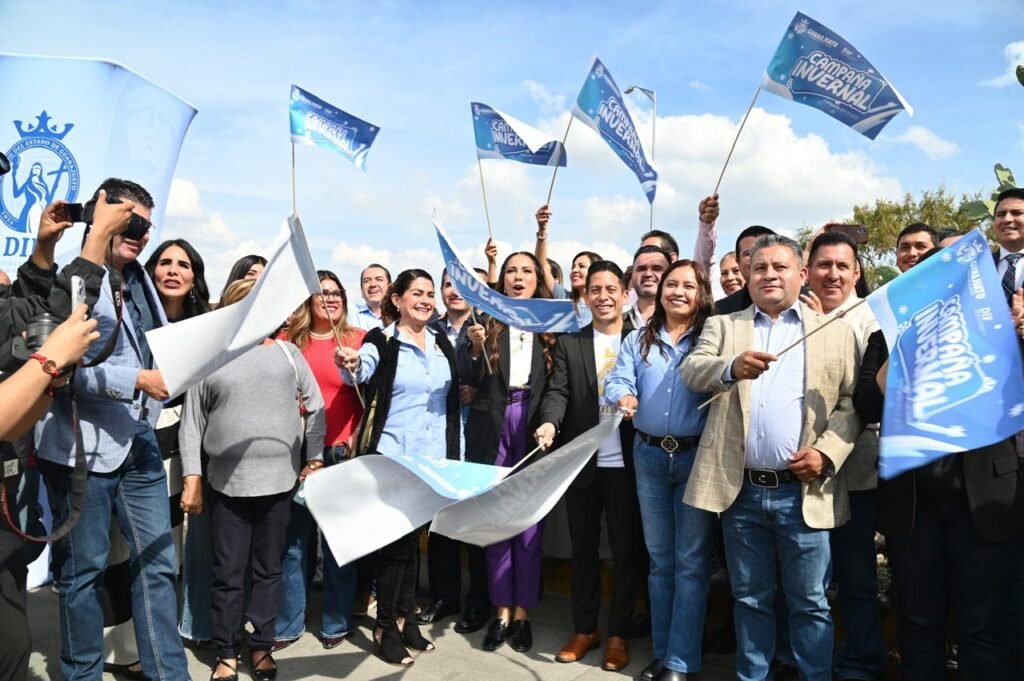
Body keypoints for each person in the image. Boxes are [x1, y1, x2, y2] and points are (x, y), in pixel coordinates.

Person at [682, 234, 861, 681]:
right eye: (760, 268)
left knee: (810, 604)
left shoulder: (833, 332)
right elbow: (692, 369)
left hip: (803, 492)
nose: (769, 275)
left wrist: (826, 452)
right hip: (740, 491)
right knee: (750, 600)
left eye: (780, 267)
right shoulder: (725, 325)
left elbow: (852, 404)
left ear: (802, 276)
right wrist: (730, 367)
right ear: (747, 276)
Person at [35, 179, 193, 681]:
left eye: (146, 225)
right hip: (83, 448)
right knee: (83, 576)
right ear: (104, 216)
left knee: (158, 565)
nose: (140, 234)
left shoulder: (142, 281)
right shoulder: (74, 280)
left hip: (139, 444)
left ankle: (167, 674)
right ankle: (81, 674)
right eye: (130, 221)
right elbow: (57, 370)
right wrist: (137, 380)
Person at [853, 247, 1022, 681]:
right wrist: (902, 350)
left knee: (983, 625)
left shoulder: (999, 329)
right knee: (919, 621)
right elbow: (867, 405)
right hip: (914, 508)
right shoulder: (886, 337)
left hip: (984, 502)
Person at [179, 278, 326, 681]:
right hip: (226, 486)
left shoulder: (289, 354)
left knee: (268, 569)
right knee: (227, 573)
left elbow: (316, 410)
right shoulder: (211, 357)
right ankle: (227, 652)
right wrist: (193, 476)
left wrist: (313, 458)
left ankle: (260, 647)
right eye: (244, 303)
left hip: (280, 485)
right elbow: (192, 423)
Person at [337, 269, 461, 667]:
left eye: (430, 294)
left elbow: (451, 404)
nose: (426, 300)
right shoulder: (382, 341)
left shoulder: (442, 343)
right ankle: (385, 626)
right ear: (397, 300)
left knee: (413, 547)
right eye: (416, 293)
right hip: (393, 459)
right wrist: (352, 362)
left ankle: (406, 618)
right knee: (394, 547)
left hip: (433, 461)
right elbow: (360, 368)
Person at [603, 259, 717, 681]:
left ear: (701, 293)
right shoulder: (638, 339)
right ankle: (664, 652)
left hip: (695, 458)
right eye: (672, 284)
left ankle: (682, 662)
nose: (679, 291)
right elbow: (618, 379)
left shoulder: (711, 337)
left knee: (690, 562)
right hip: (648, 456)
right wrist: (623, 395)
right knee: (661, 561)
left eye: (689, 285)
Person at [534, 261, 643, 672]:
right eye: (594, 289)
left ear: (624, 293)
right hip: (583, 460)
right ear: (584, 297)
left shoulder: (640, 341)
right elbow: (558, 391)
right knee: (583, 550)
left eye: (611, 288)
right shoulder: (570, 343)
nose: (603, 296)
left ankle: (618, 634)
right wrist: (549, 421)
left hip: (628, 462)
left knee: (626, 551)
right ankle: (584, 629)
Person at [459, 251, 555, 654]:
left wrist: (549, 421)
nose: (518, 277)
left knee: (529, 526)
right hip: (493, 425)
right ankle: (500, 611)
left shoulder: (551, 325)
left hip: (535, 426)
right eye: (512, 271)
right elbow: (467, 378)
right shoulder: (486, 322)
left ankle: (522, 614)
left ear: (538, 280)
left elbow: (559, 386)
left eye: (527, 271)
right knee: (498, 521)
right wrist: (476, 348)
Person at [802, 231, 884, 681]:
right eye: (823, 264)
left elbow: (866, 395)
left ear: (856, 272)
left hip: (855, 464)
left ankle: (860, 661)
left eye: (841, 266)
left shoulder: (874, 320)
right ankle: (802, 658)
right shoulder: (789, 315)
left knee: (856, 575)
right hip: (800, 466)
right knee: (804, 580)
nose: (832, 274)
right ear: (807, 271)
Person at [275, 271, 365, 651]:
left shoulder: (358, 341)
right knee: (293, 542)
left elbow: (370, 397)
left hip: (340, 452)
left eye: (335, 293)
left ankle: (336, 620)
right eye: (320, 293)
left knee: (337, 542)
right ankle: (287, 622)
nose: (329, 299)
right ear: (307, 301)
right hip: (294, 454)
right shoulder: (285, 343)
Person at [144, 239, 214, 647]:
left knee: (167, 551)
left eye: (183, 264)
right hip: (131, 445)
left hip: (179, 450)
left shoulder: (203, 328)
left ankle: (162, 635)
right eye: (165, 262)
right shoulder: (133, 318)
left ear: (194, 277)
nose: (173, 270)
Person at [418, 269, 491, 633]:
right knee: (441, 524)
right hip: (439, 441)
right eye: (449, 284)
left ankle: (479, 601)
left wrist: (480, 386)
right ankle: (444, 596)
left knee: (475, 524)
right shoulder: (428, 329)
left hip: (478, 438)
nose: (455, 291)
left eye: (465, 285)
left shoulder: (491, 328)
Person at [531, 204, 602, 325]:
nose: (575, 270)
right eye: (573, 267)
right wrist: (542, 232)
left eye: (582, 266)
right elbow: (541, 266)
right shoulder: (565, 299)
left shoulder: (607, 303)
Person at [715, 225, 776, 314]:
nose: (757, 257)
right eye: (748, 253)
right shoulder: (721, 310)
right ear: (738, 261)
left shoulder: (800, 301)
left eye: (765, 251)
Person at [626, 245, 672, 328]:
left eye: (657, 269)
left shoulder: (684, 318)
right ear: (632, 275)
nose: (648, 274)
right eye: (641, 269)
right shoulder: (614, 318)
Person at [349, 264, 391, 331]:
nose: (372, 284)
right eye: (366, 281)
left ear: (390, 286)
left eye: (379, 279)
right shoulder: (350, 312)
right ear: (362, 290)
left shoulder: (402, 316)